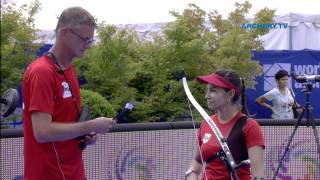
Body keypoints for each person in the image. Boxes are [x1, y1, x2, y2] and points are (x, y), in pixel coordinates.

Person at [22, 7, 114, 179]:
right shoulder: (42, 72)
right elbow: (42, 132)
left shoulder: (68, 70)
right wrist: (91, 125)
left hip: (73, 172)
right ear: (65, 33)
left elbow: (66, 122)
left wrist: (85, 133)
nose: (88, 46)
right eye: (85, 39)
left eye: (91, 41)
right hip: (48, 175)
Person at [185, 70, 266, 180]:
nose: (206, 96)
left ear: (230, 94)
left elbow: (259, 174)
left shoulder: (249, 126)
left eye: (213, 91)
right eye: (207, 91)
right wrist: (192, 174)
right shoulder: (206, 124)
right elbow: (196, 162)